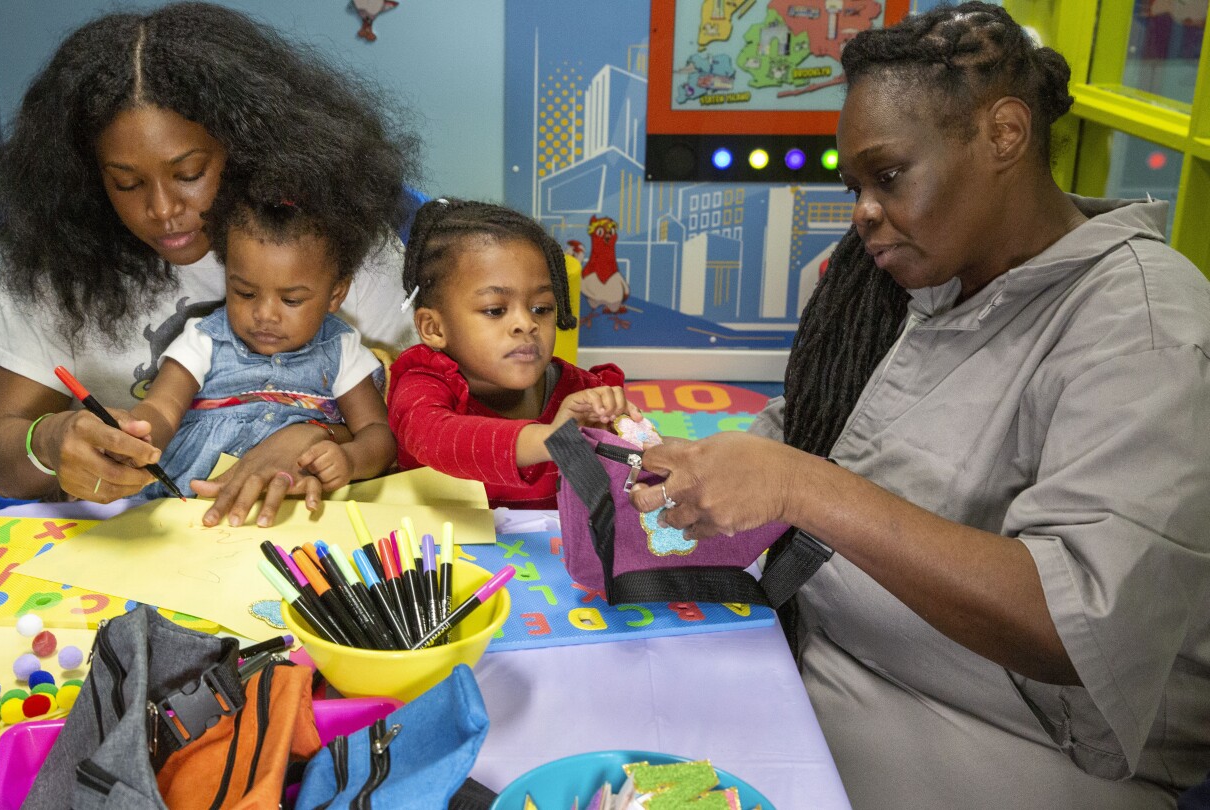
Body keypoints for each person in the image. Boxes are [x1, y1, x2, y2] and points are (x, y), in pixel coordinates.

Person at [629, 5, 1210, 808]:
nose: (863, 210)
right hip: (813, 660)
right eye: (854, 186)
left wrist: (801, 486)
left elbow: (1076, 624)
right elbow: (814, 427)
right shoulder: (902, 280)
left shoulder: (1144, 327)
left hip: (1002, 746)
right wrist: (691, 463)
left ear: (1004, 134)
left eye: (889, 175)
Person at [0, 2, 416, 527]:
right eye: (127, 183)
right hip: (148, 537)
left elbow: (426, 424)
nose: (162, 210)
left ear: (245, 147)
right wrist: (49, 441)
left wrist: (313, 437)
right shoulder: (58, 263)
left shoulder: (332, 242)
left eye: (190, 173)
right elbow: (2, 465)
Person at [132, 193, 395, 523]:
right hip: (186, 505)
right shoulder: (204, 338)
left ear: (335, 294)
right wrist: (133, 435)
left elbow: (377, 432)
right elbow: (160, 408)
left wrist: (350, 459)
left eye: (291, 300)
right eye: (245, 293)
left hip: (292, 515)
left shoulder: (341, 350)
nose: (265, 314)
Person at [388, 199, 640, 509]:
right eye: (495, 310)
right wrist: (552, 439)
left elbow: (612, 498)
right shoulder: (421, 385)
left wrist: (619, 441)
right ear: (434, 328)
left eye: (541, 308)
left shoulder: (581, 394)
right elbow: (438, 438)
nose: (527, 324)